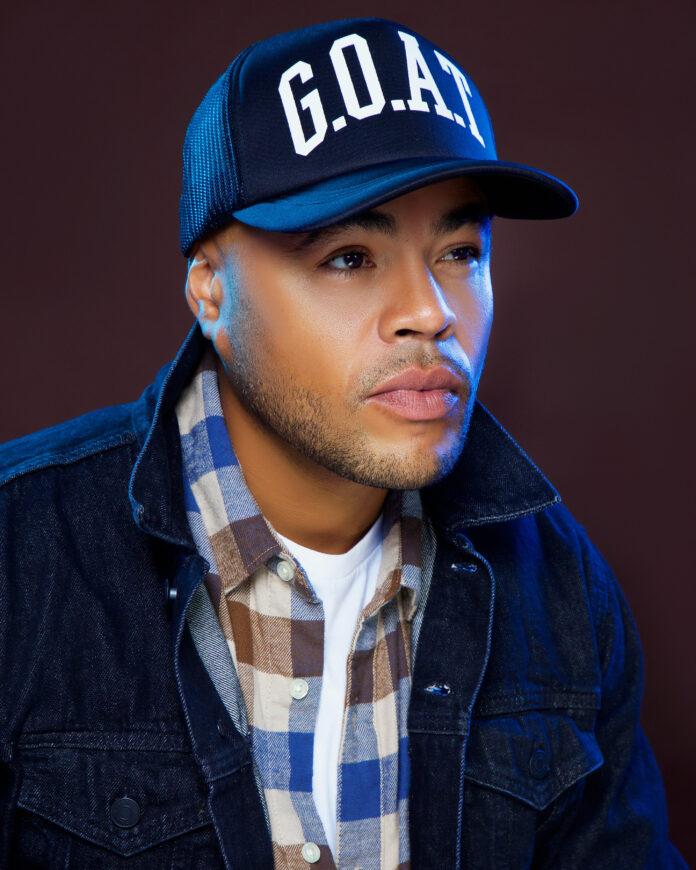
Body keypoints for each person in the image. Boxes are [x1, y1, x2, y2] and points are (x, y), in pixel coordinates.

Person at [0, 16, 686, 870]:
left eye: (461, 250)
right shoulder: (18, 563)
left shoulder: (561, 589)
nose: (432, 311)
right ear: (210, 291)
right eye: (351, 257)